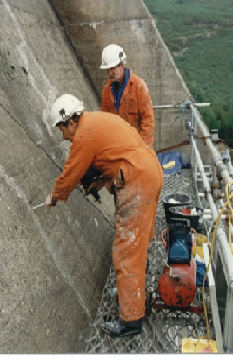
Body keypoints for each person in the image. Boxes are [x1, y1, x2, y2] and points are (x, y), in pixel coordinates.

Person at [45, 94, 163, 338]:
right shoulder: (96, 121)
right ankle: (139, 292)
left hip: (138, 182)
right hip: (148, 172)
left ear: (70, 121)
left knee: (126, 251)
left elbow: (71, 173)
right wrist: (102, 180)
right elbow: (120, 153)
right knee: (138, 244)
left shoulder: (83, 134)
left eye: (63, 130)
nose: (65, 137)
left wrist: (55, 196)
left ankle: (131, 321)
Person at [100, 44, 155, 148]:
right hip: (118, 146)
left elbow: (148, 121)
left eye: (112, 68)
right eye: (107, 69)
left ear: (121, 64)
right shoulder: (107, 91)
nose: (109, 72)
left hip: (138, 145)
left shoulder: (138, 86)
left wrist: (143, 149)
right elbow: (105, 123)